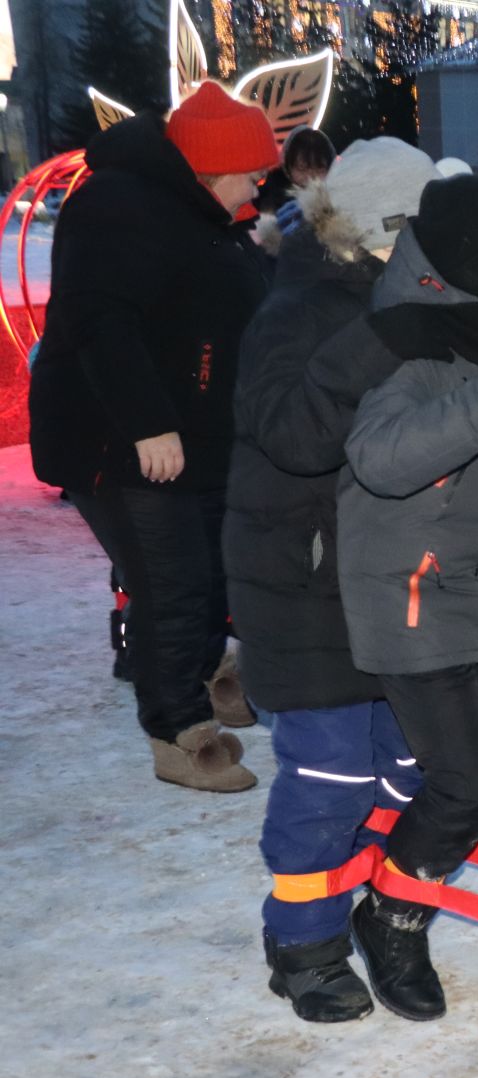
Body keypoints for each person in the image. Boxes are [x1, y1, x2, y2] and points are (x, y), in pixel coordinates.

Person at [334, 174, 478, 1021]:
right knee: (464, 783)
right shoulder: (409, 346)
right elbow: (383, 460)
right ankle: (390, 918)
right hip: (408, 601)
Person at [228, 138, 444, 1021]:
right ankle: (304, 939)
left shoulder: (426, 299)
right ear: (367, 233)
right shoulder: (300, 308)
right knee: (330, 773)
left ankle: (374, 904)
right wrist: (380, 338)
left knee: (408, 761)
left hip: (402, 580)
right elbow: (290, 433)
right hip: (305, 579)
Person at [29, 84, 278, 791]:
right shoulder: (116, 205)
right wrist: (148, 423)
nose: (260, 184)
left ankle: (201, 676)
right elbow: (99, 321)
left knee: (208, 571)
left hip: (193, 438)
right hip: (122, 443)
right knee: (170, 585)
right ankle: (177, 732)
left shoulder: (204, 214)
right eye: (252, 172)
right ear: (212, 166)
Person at [258, 126, 336, 247]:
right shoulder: (268, 200)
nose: (311, 176)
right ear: (287, 167)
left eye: (319, 168)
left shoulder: (339, 198)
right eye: (302, 168)